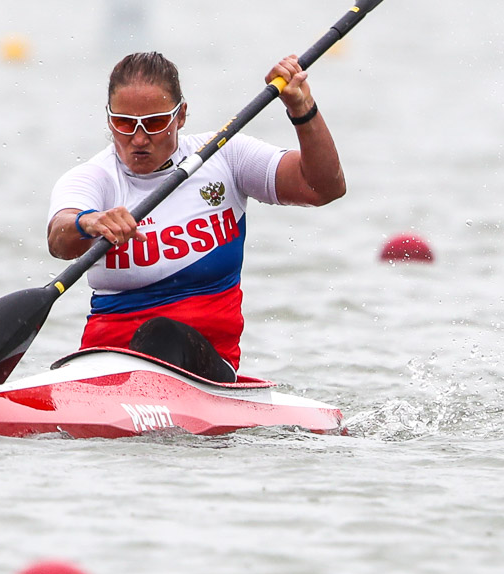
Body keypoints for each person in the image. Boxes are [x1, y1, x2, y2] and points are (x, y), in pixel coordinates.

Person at [46, 51, 345, 382]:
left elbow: (323, 188)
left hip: (205, 373)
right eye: (125, 124)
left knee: (160, 333)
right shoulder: (93, 179)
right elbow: (59, 240)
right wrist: (87, 223)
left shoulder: (224, 155)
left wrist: (302, 109)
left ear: (182, 115)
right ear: (108, 120)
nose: (139, 139)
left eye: (156, 122)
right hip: (103, 368)